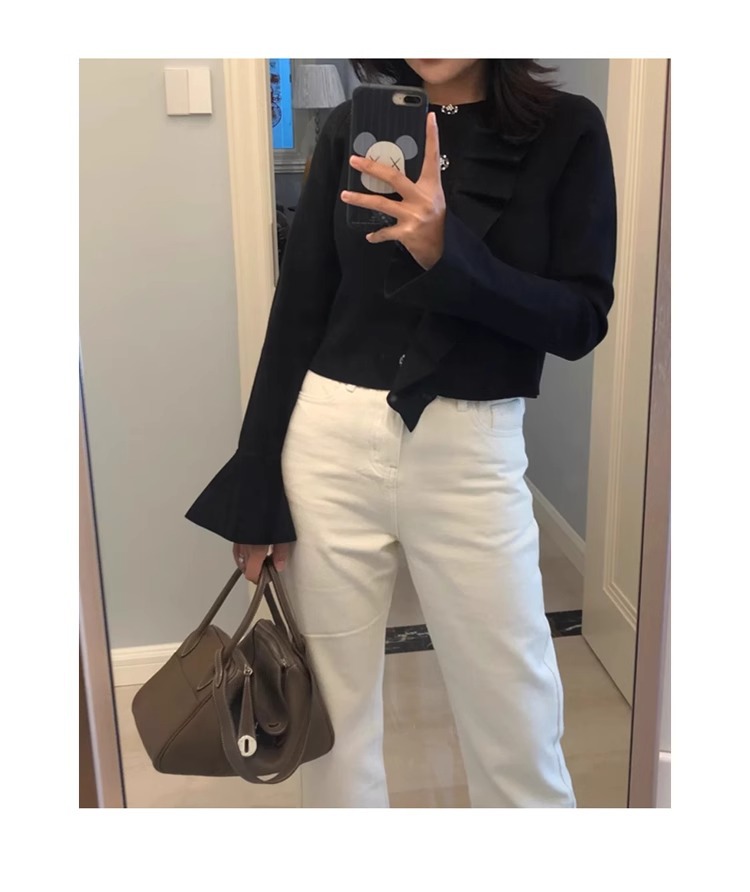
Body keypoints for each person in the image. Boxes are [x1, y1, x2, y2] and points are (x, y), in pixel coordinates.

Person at [186, 59, 617, 808]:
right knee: (332, 733)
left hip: (470, 454)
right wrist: (256, 478)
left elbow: (579, 321)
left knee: (517, 729)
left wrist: (450, 252)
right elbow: (299, 308)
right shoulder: (352, 126)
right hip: (326, 443)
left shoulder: (568, 130)